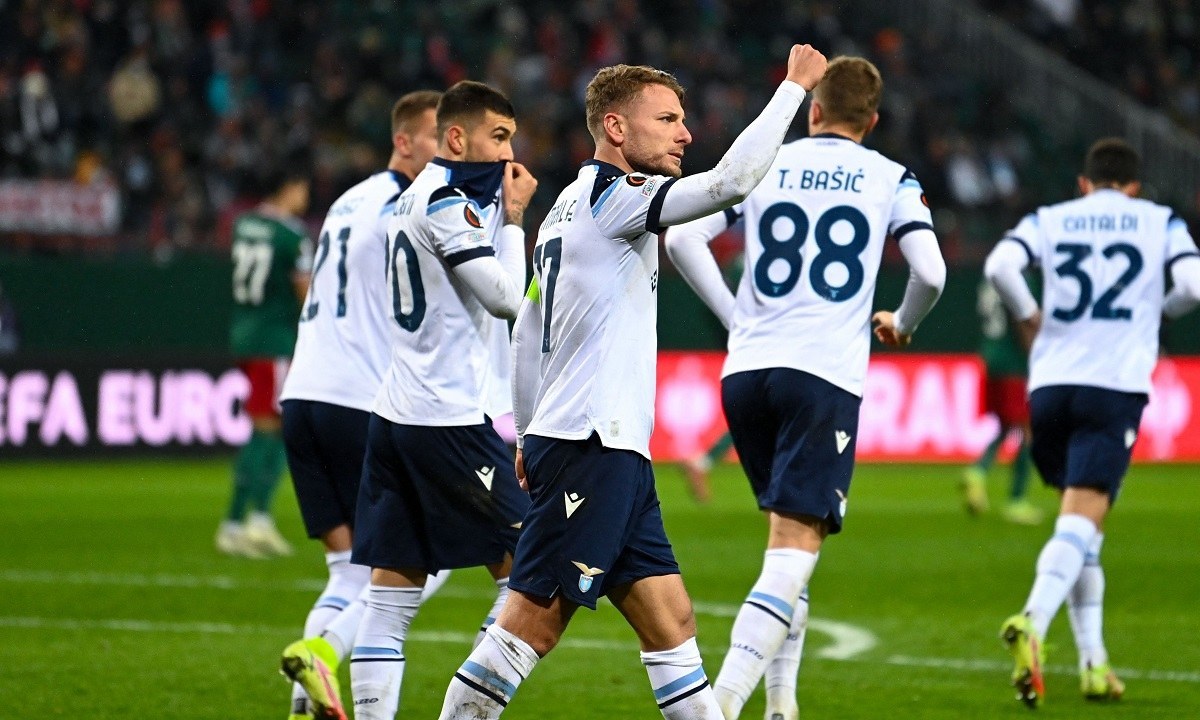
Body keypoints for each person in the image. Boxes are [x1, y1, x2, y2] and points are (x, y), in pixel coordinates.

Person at [438, 44, 829, 720]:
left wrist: (526, 434)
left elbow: (526, 333)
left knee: (672, 623)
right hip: (592, 446)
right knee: (529, 627)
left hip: (604, 448)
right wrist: (793, 88)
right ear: (616, 128)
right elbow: (730, 183)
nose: (685, 134)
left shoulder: (564, 207)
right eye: (668, 120)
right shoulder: (616, 197)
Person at [665, 56, 946, 720]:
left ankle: (781, 704)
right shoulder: (890, 177)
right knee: (795, 547)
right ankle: (722, 705)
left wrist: (736, 317)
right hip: (821, 374)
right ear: (872, 122)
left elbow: (682, 239)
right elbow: (931, 273)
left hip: (747, 373)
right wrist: (903, 323)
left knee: (789, 539)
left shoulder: (768, 162)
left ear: (813, 110)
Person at [343, 80, 538, 720]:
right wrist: (515, 220)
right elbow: (506, 299)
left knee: (390, 597)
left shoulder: (408, 200)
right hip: (446, 419)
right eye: (499, 137)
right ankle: (468, 706)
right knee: (529, 569)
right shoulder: (447, 203)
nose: (509, 153)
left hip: (394, 416)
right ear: (457, 138)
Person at [985, 137, 1200, 708]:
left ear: (1084, 183)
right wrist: (1155, 313)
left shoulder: (1051, 218)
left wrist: (1031, 315)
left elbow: (1001, 265)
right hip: (1113, 384)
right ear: (1134, 187)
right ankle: (1032, 620)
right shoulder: (1160, 221)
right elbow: (1193, 285)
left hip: (1051, 385)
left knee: (1083, 526)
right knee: (1083, 517)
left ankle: (1094, 665)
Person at [273, 90, 444, 720]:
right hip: (358, 403)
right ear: (403, 141)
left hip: (303, 398)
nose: (449, 151)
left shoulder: (347, 201)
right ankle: (325, 649)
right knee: (432, 555)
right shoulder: (411, 206)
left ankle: (305, 705)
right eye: (438, 138)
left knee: (347, 571)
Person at [217, 163, 312, 558]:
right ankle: (247, 521)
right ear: (288, 187)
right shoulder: (292, 235)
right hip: (275, 339)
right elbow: (305, 294)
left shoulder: (244, 224)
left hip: (244, 333)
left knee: (267, 426)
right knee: (270, 428)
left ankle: (247, 520)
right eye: (302, 187)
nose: (305, 196)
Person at [960, 278, 1043, 525]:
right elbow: (1023, 318)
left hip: (992, 356)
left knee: (1007, 425)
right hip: (1015, 363)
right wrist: (1035, 356)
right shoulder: (1020, 275)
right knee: (1028, 428)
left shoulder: (990, 277)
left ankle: (978, 471)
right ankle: (1016, 500)